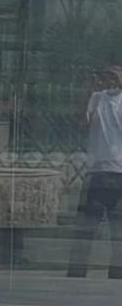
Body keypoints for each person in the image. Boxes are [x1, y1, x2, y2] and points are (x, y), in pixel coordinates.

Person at [68, 65, 122, 280]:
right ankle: (76, 274)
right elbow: (82, 122)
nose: (110, 81)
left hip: (119, 171)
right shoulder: (97, 98)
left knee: (118, 230)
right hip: (98, 170)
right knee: (86, 227)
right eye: (106, 77)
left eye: (114, 77)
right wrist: (88, 91)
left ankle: (117, 275)